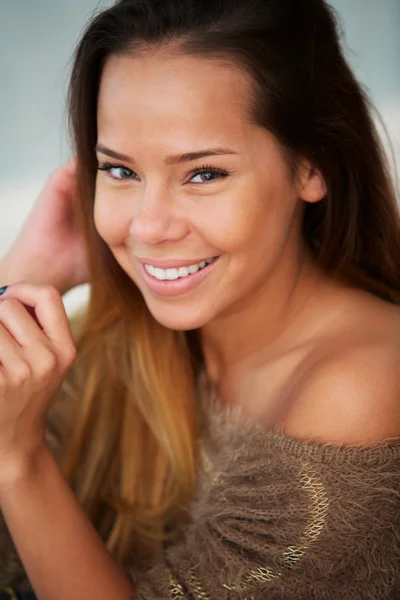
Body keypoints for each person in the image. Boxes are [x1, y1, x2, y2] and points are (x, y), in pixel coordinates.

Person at [0, 0, 400, 598]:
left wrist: (16, 458)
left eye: (204, 173)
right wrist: (21, 277)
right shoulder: (102, 333)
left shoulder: (366, 386)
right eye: (120, 171)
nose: (148, 226)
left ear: (311, 165)